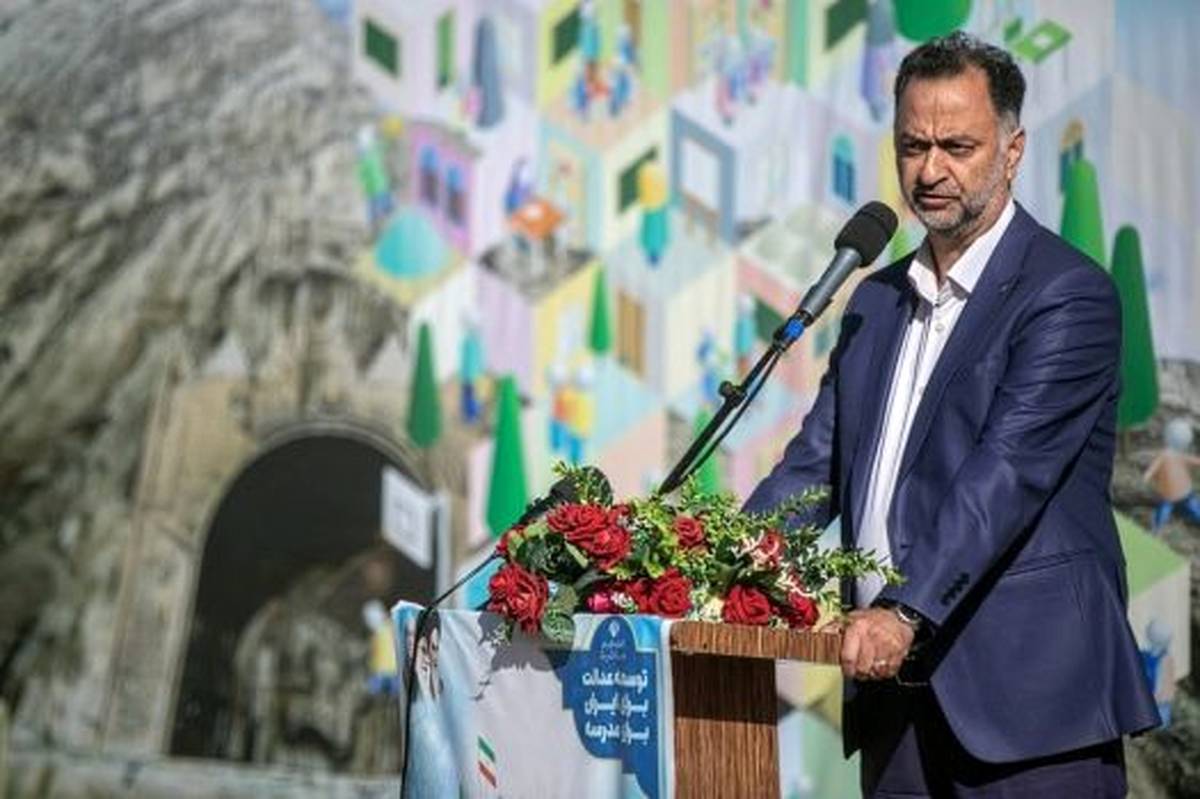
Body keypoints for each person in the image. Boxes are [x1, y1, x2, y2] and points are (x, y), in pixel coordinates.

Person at [744, 32, 1159, 796]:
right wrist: (720, 563)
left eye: (957, 146)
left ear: (1012, 150)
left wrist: (903, 609)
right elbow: (815, 467)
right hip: (895, 705)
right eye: (913, 145)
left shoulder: (1066, 293)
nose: (930, 170)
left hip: (1031, 709)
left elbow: (1005, 476)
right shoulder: (875, 299)